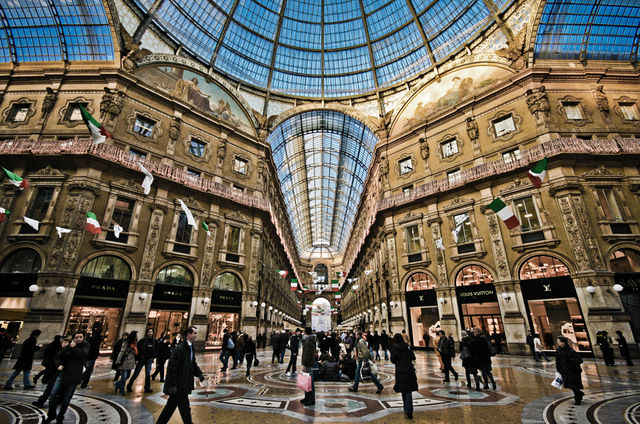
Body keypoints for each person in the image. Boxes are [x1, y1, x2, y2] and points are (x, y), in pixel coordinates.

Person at [157, 326, 205, 424]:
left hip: (183, 382)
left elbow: (192, 363)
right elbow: (172, 368)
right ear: (188, 334)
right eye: (194, 333)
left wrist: (199, 374)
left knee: (170, 408)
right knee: (185, 409)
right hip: (179, 384)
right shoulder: (180, 349)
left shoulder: (190, 347)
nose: (196, 335)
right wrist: (173, 385)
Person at [45, 331, 90, 424]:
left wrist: (73, 348)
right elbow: (59, 355)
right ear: (74, 338)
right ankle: (51, 415)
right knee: (53, 395)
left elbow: (82, 356)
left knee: (66, 399)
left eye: (80, 337)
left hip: (74, 376)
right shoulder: (70, 345)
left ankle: (60, 416)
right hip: (62, 374)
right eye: (76, 337)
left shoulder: (86, 346)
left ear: (83, 338)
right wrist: (59, 364)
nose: (78, 339)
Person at [32, 337, 70, 408]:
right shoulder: (62, 350)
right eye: (63, 342)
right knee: (55, 388)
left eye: (66, 342)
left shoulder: (66, 352)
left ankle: (41, 402)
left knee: (50, 389)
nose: (63, 344)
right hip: (55, 372)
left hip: (58, 373)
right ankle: (58, 400)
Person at [391, 333, 418, 420]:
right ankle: (409, 410)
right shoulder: (408, 346)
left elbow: (393, 360)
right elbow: (413, 357)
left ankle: (406, 407)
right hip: (409, 369)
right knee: (408, 389)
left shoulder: (394, 347)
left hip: (400, 369)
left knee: (403, 388)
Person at [127, 327, 157, 393]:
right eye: (149, 332)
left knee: (148, 374)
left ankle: (147, 388)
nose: (150, 333)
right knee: (136, 373)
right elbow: (138, 350)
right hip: (141, 359)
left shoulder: (154, 341)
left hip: (149, 359)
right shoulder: (142, 340)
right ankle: (129, 385)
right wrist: (137, 359)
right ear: (147, 332)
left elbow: (156, 350)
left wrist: (154, 356)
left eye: (151, 332)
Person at [555, 336, 584, 405]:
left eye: (558, 341)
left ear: (563, 342)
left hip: (573, 371)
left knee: (574, 385)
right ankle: (579, 394)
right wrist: (558, 369)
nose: (557, 342)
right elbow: (557, 361)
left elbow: (579, 360)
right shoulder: (558, 350)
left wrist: (570, 361)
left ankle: (578, 398)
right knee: (571, 385)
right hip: (564, 371)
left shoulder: (571, 351)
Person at [80, 322, 102, 389]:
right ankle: (83, 384)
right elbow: (95, 347)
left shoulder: (91, 335)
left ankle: (79, 381)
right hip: (91, 356)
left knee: (88, 370)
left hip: (88, 355)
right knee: (89, 371)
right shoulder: (97, 336)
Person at [300, 327, 316, 406]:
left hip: (308, 364)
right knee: (307, 381)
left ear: (305, 332)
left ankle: (311, 399)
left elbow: (306, 354)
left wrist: (304, 364)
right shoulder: (311, 340)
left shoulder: (308, 341)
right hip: (310, 363)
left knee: (309, 382)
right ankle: (307, 397)